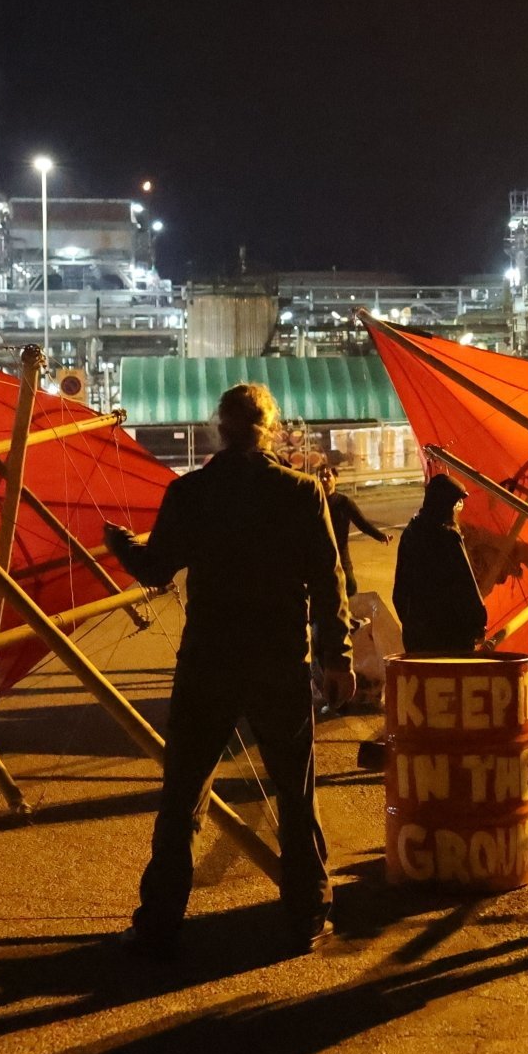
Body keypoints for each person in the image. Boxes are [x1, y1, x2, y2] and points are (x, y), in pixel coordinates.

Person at [106, 383, 353, 955]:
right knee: (295, 792)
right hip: (278, 658)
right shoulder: (300, 491)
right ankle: (308, 914)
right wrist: (336, 657)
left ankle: (160, 920)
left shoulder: (191, 491)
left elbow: (156, 569)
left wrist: (120, 544)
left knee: (184, 793)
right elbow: (328, 578)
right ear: (270, 428)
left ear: (220, 427)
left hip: (209, 659)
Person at [392, 473, 487, 653]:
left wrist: (410, 622)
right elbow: (466, 584)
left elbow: (400, 589)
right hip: (450, 636)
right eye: (455, 504)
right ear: (447, 505)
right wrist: (478, 621)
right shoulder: (448, 535)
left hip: (417, 636)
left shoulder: (411, 532)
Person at [316, 463, 390, 600]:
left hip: (341, 560)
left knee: (350, 592)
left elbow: (362, 523)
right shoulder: (314, 502)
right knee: (322, 599)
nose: (324, 480)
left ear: (335, 478)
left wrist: (380, 536)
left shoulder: (344, 503)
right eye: (321, 477)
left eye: (328, 476)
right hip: (319, 562)